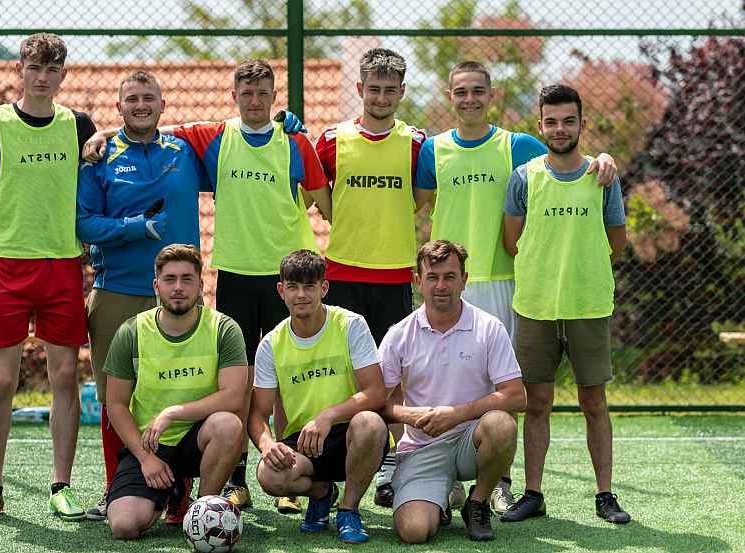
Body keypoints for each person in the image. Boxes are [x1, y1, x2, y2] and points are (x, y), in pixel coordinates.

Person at [84, 60, 330, 510]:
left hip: (275, 275)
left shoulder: (281, 141)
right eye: (246, 93)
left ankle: (287, 475)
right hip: (212, 274)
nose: (254, 101)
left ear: (275, 97)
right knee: (222, 379)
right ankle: (210, 480)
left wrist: (294, 129)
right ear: (233, 96)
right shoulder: (209, 137)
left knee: (281, 376)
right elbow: (144, 131)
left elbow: (323, 202)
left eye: (263, 93)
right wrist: (103, 134)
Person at [413, 61, 618, 513]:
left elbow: (568, 163)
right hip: (450, 282)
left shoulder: (518, 146)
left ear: (492, 95)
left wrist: (605, 159)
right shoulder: (432, 150)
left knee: (502, 384)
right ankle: (443, 475)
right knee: (441, 379)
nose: (470, 99)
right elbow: (411, 205)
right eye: (461, 91)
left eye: (478, 91)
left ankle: (499, 479)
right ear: (449, 96)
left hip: (505, 280)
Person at [0, 33, 96, 522]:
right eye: (35, 67)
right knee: (4, 380)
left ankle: (61, 486)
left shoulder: (79, 126)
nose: (42, 77)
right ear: (20, 69)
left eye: (52, 70)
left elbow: (114, 160)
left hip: (62, 265)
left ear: (63, 75)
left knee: (66, 376)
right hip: (7, 267)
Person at [77, 70, 209, 523]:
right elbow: (84, 223)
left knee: (187, 389)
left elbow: (240, 138)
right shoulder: (99, 157)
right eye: (131, 99)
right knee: (117, 398)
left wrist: (285, 125)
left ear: (162, 105)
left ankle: (180, 493)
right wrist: (134, 227)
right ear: (118, 107)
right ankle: (115, 487)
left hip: (180, 297)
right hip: (117, 291)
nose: (140, 105)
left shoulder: (185, 151)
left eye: (148, 98)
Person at [500, 84, 630, 525]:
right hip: (535, 305)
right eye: (551, 121)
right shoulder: (524, 177)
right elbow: (512, 241)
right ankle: (533, 493)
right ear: (540, 126)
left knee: (594, 402)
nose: (560, 129)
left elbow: (617, 242)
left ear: (581, 124)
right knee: (536, 403)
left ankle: (605, 495)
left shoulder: (602, 177)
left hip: (587, 305)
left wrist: (579, 266)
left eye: (568, 121)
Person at [314, 47, 426, 510]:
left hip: (394, 273)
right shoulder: (331, 139)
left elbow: (420, 198)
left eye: (390, 90)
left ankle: (390, 466)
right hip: (342, 271)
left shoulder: (417, 143)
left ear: (402, 92)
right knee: (343, 375)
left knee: (392, 377)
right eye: (373, 89)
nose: (381, 97)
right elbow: (317, 194)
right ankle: (331, 468)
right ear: (360, 89)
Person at [380, 240, 525, 542]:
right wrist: (411, 415)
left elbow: (515, 395)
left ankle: (478, 502)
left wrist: (457, 414)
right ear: (418, 281)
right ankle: (442, 499)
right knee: (414, 532)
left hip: (471, 440)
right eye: (432, 277)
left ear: (464, 280)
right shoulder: (399, 334)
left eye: (449, 276)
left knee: (502, 424)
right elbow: (377, 402)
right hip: (422, 447)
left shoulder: (489, 327)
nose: (441, 286)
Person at [103, 244, 248, 539]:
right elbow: (116, 404)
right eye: (170, 279)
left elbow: (234, 395)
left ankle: (203, 511)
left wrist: (173, 413)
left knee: (228, 425)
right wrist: (145, 458)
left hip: (200, 438)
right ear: (156, 285)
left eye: (187, 279)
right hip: (151, 445)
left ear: (200, 285)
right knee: (124, 526)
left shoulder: (223, 328)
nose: (178, 287)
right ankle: (175, 490)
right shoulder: (132, 332)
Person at [248, 250, 388, 544]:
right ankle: (323, 493)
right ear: (281, 290)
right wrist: (267, 445)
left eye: (309, 286)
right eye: (293, 287)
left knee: (371, 423)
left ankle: (349, 510)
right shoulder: (271, 344)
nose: (301, 294)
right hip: (304, 443)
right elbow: (258, 415)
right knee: (269, 476)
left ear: (323, 288)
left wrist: (328, 416)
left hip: (351, 435)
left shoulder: (350, 325)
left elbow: (376, 392)